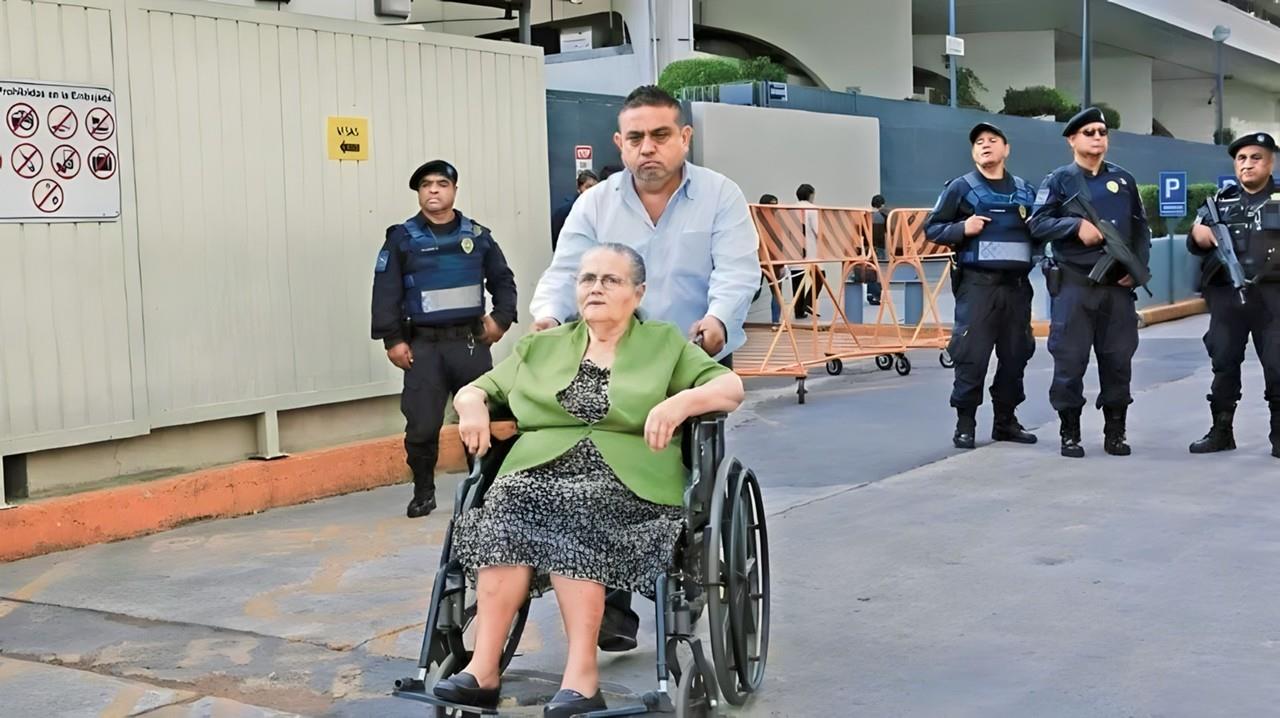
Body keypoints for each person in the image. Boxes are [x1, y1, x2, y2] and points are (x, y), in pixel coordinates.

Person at [435, 244, 745, 716]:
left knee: (578, 510)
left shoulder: (663, 343)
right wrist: (471, 404)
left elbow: (729, 387)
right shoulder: (542, 345)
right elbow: (482, 387)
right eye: (587, 279)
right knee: (503, 507)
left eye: (611, 280)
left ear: (638, 292)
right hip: (538, 470)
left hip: (629, 480)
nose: (595, 288)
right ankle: (482, 668)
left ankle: (581, 677)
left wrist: (677, 403)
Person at [528, 84, 758, 653]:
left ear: (684, 137)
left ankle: (682, 569)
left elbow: (737, 270)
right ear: (620, 143)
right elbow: (566, 271)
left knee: (676, 477)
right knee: (600, 463)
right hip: (609, 357)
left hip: (690, 354)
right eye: (636, 138)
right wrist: (547, 317)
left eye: (660, 135)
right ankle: (610, 604)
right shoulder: (596, 203)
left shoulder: (720, 196)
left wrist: (717, 323)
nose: (648, 148)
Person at [370, 160, 517, 518]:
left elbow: (503, 281)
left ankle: (481, 493)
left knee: (483, 419)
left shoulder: (478, 236)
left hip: (469, 344)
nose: (433, 190)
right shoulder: (402, 239)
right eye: (425, 185)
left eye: (441, 184)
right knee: (421, 425)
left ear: (453, 190)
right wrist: (393, 340)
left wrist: (500, 321)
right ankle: (423, 491)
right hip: (424, 347)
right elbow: (385, 291)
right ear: (419, 193)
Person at [1029, 107, 1151, 458]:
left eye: (1102, 132)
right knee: (1069, 360)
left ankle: (1116, 432)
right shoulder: (1059, 181)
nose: (1097, 138)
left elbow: (1140, 228)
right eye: (1089, 133)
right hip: (1075, 285)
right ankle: (1070, 432)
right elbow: (1037, 225)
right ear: (1072, 140)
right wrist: (1074, 227)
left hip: (1117, 288)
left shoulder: (1124, 180)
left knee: (1118, 360)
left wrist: (1138, 266)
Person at [925, 122, 1038, 450]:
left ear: (1006, 149)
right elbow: (932, 229)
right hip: (978, 287)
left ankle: (1005, 421)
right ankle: (965, 424)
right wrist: (963, 227)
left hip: (1017, 288)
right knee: (971, 355)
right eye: (978, 142)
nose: (985, 145)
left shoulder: (1026, 191)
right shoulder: (961, 188)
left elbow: (1042, 229)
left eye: (992, 140)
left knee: (1016, 355)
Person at [1186, 132, 1280, 459]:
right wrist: (1199, 234)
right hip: (1228, 297)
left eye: (1256, 157)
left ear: (1270, 162)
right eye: (1241, 159)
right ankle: (1221, 431)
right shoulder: (1220, 201)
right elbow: (1196, 240)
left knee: (1278, 366)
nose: (1248, 164)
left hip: (1273, 297)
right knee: (1224, 364)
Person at [551, 170, 599, 251]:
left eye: (595, 187)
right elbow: (557, 240)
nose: (592, 191)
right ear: (579, 188)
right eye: (588, 187)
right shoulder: (565, 211)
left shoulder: (599, 210)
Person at [792, 183, 821, 319]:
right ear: (810, 195)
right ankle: (808, 302)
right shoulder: (813, 209)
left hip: (793, 252)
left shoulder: (790, 209)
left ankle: (798, 312)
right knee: (820, 277)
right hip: (810, 251)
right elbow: (817, 230)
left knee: (797, 282)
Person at [757, 193, 784, 326]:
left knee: (777, 293)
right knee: (753, 292)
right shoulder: (756, 222)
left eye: (776, 206)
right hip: (758, 262)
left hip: (773, 263)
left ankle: (776, 322)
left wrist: (782, 264)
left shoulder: (775, 223)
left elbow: (780, 245)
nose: (775, 209)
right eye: (772, 205)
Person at [867, 194, 889, 305]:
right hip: (879, 247)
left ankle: (870, 293)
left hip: (867, 247)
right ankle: (876, 295)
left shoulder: (867, 215)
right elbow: (885, 233)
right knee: (878, 271)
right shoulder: (882, 216)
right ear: (882, 204)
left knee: (870, 270)